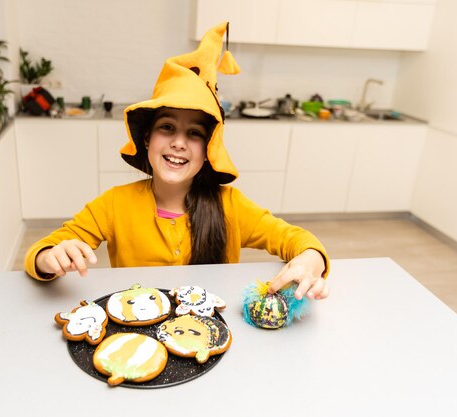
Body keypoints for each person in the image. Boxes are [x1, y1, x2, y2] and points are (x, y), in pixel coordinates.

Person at [24, 22, 330, 301]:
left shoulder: (232, 207)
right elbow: (42, 253)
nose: (179, 142)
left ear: (209, 148)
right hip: (138, 335)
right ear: (146, 139)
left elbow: (297, 239)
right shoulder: (113, 205)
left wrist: (309, 260)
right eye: (167, 127)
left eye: (194, 133)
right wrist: (51, 256)